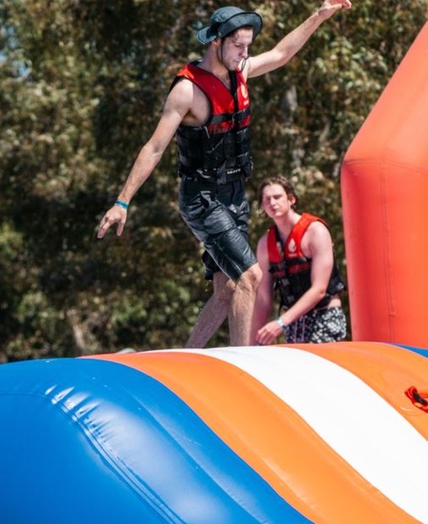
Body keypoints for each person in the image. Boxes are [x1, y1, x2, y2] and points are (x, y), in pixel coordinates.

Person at [96, 1, 353, 347]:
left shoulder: (240, 71)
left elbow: (280, 54)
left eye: (247, 46)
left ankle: (185, 356)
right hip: (202, 198)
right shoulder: (187, 90)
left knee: (227, 289)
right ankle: (242, 362)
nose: (244, 53)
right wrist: (122, 201)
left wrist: (319, 16)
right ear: (216, 42)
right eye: (238, 46)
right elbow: (154, 147)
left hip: (234, 194)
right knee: (250, 275)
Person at [252, 177, 346, 344]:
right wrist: (252, 343)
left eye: (277, 197)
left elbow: (319, 289)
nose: (272, 203)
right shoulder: (265, 245)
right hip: (293, 324)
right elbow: (263, 300)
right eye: (266, 200)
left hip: (325, 317)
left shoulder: (315, 231)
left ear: (291, 199)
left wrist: (280, 323)